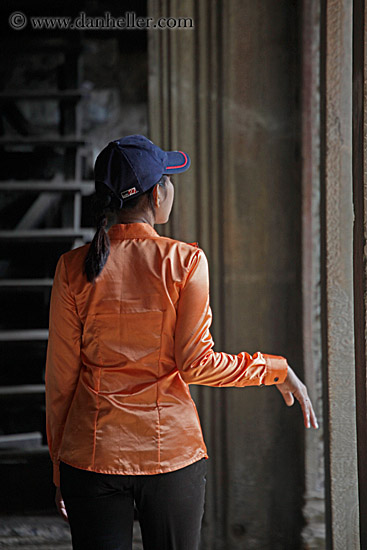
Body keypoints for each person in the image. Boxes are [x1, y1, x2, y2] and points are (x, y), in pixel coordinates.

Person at [45, 134, 318, 550]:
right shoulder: (185, 262)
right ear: (158, 195)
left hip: (91, 454)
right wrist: (275, 369)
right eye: (169, 182)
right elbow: (196, 364)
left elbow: (61, 382)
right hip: (170, 454)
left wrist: (58, 466)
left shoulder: (71, 268)